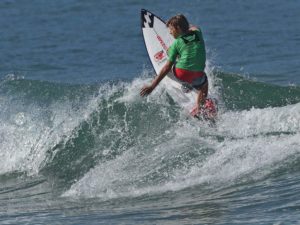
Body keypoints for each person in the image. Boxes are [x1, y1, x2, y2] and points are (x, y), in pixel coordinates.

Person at [140, 14, 208, 116]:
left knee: (172, 57)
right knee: (204, 85)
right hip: (198, 73)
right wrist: (184, 25)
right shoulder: (198, 33)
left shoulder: (177, 43)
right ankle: (199, 109)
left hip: (182, 73)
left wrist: (152, 86)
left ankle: (185, 84)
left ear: (178, 28)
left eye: (171, 29)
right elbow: (194, 27)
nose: (170, 32)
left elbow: (166, 67)